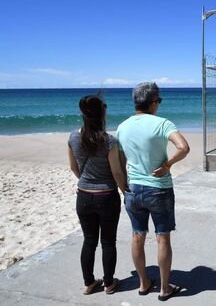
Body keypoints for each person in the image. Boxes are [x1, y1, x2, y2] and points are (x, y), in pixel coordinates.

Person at [117, 82, 190, 301]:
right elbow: (184, 148)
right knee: (162, 238)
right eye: (159, 101)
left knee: (137, 236)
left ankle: (143, 283)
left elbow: (120, 161)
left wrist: (124, 185)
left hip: (133, 189)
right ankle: (165, 288)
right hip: (158, 189)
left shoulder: (123, 127)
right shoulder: (163, 124)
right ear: (154, 102)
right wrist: (167, 165)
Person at [68, 94, 128, 295]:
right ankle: (109, 283)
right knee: (108, 241)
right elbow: (117, 172)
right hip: (107, 197)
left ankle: (89, 283)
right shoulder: (109, 140)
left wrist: (86, 181)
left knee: (89, 240)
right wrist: (125, 191)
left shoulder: (73, 137)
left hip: (83, 196)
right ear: (102, 114)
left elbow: (74, 168)